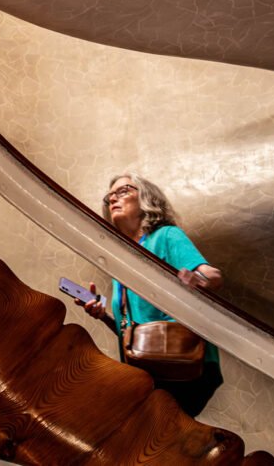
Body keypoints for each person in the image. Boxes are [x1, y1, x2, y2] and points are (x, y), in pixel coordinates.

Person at [78, 173, 223, 417]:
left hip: (182, 363)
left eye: (123, 191)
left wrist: (197, 280)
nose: (113, 198)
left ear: (146, 198)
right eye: (109, 196)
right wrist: (103, 315)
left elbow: (214, 276)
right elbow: (137, 333)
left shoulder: (166, 236)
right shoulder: (123, 262)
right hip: (147, 366)